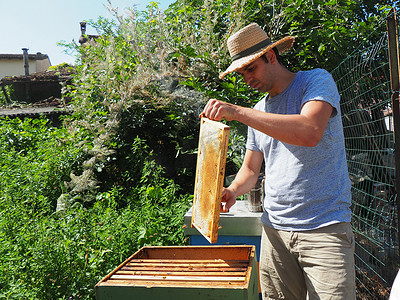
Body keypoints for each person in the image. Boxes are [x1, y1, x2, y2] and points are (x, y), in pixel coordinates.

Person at [201, 23, 355, 300]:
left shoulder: (316, 81)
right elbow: (250, 169)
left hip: (324, 231)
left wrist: (237, 112)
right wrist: (232, 191)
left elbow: (309, 131)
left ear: (271, 56)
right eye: (241, 72)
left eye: (251, 68)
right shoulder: (258, 110)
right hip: (274, 232)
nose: (247, 78)